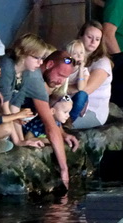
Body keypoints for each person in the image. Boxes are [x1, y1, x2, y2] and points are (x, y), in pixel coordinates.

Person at [14, 50, 79, 187]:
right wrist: (64, 169)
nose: (61, 81)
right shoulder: (36, 80)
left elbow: (51, 116)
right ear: (49, 64)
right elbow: (50, 126)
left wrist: (63, 133)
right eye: (60, 75)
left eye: (65, 78)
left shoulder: (43, 79)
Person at [70, 21, 113, 130]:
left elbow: (84, 89)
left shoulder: (102, 63)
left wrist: (56, 89)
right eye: (90, 37)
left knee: (52, 122)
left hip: (91, 111)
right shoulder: (71, 55)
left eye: (97, 39)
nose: (93, 42)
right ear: (81, 36)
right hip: (66, 103)